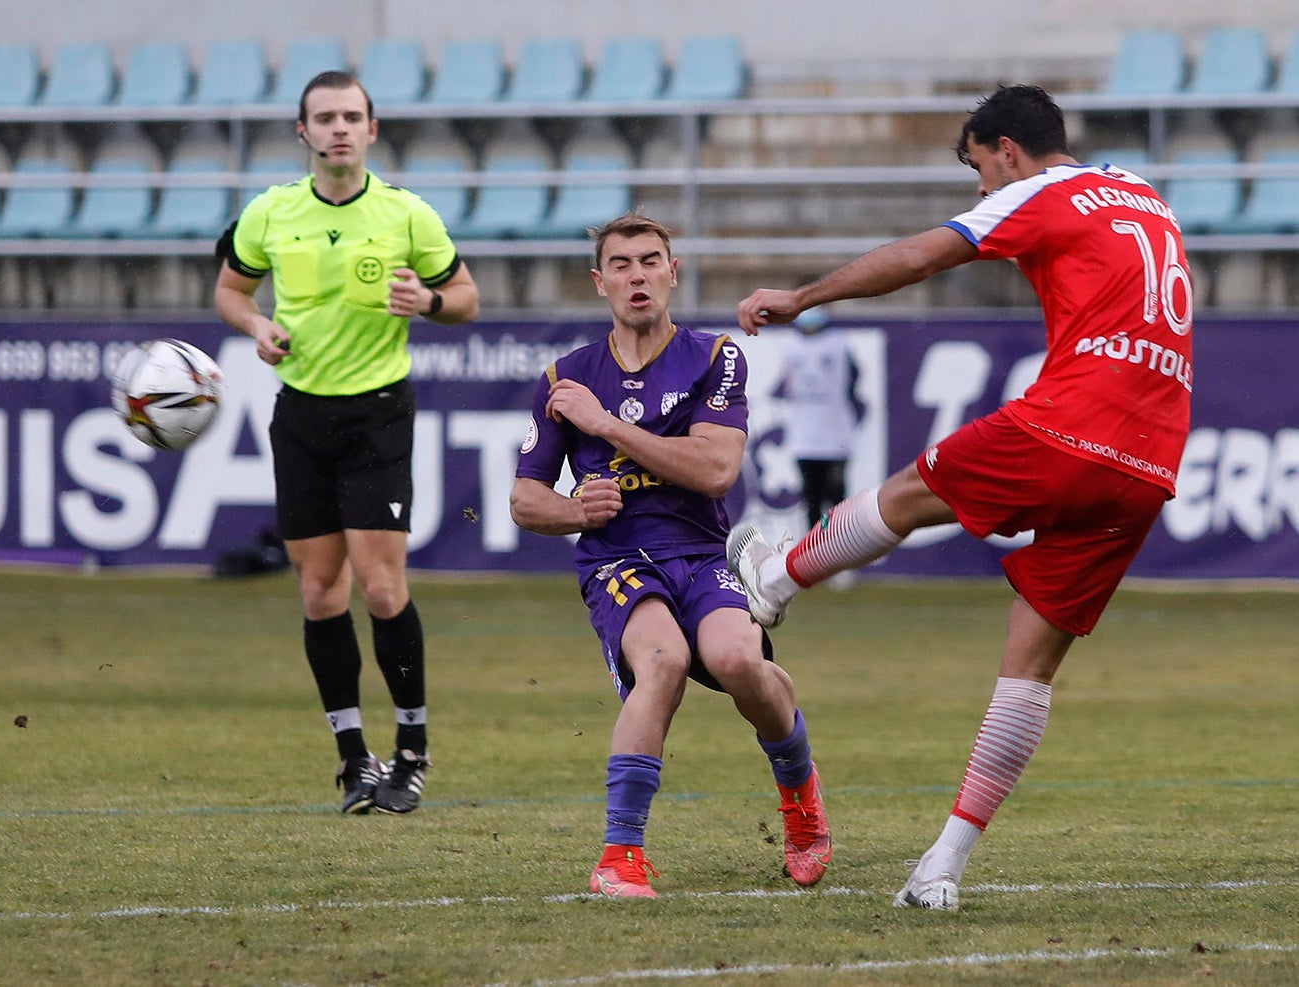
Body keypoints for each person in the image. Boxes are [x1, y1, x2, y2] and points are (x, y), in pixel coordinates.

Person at [726, 85, 1193, 911]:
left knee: (908, 495)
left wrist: (801, 296)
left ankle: (777, 579)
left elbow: (920, 257)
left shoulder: (1044, 190)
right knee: (1029, 674)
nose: (983, 189)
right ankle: (940, 869)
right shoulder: (1147, 197)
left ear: (1008, 149)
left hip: (1073, 423)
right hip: (1150, 458)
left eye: (981, 167)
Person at [510, 214, 832, 899]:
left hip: (700, 550)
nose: (638, 275)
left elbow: (716, 468)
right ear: (600, 283)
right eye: (621, 265)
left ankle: (802, 802)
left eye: (650, 261)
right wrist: (574, 510)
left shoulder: (716, 357)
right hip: (617, 560)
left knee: (741, 661)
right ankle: (620, 856)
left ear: (673, 271)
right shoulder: (564, 378)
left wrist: (604, 424)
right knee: (664, 662)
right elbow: (522, 500)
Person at [214, 70, 479, 815]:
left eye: (351, 116)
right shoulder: (270, 213)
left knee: (383, 585)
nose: (338, 128)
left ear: (371, 129)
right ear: (302, 132)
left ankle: (413, 750)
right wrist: (257, 326)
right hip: (301, 415)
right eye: (324, 117)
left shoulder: (405, 214)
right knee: (319, 590)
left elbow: (466, 297)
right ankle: (354, 758)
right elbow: (232, 290)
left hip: (377, 414)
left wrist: (427, 301)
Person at [780, 307, 861, 528]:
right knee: (811, 499)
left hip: (835, 434)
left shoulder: (839, 344)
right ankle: (814, 553)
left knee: (837, 497)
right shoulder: (790, 345)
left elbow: (853, 383)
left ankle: (844, 548)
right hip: (804, 435)